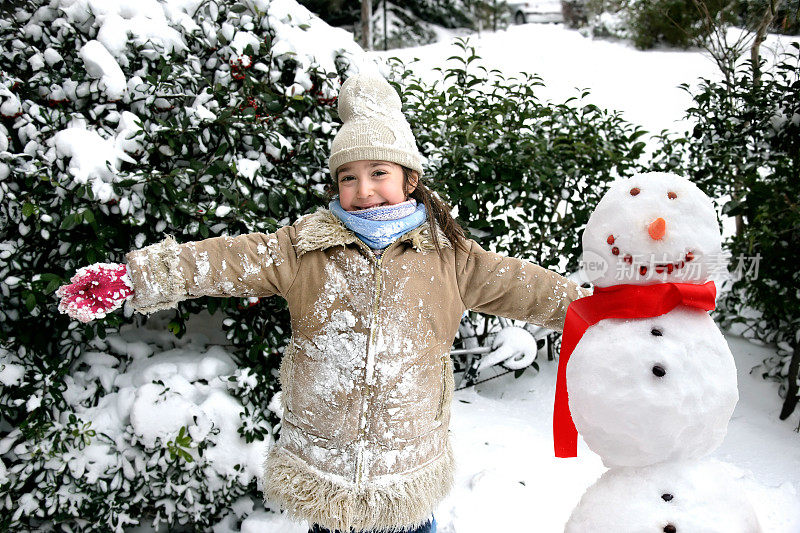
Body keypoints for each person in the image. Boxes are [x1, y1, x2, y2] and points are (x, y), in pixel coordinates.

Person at [57, 73, 589, 533]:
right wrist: (134, 276)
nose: (363, 190)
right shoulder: (303, 248)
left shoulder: (450, 257)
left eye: (379, 172)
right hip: (325, 467)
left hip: (407, 466)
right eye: (348, 177)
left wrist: (605, 311)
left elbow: (528, 286)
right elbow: (222, 259)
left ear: (410, 179)